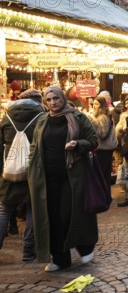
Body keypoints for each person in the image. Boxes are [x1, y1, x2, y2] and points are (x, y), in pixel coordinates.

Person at [28, 86, 99, 272]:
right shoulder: (42, 120)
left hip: (72, 175)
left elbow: (93, 140)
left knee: (67, 215)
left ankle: (85, 247)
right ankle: (59, 258)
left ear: (62, 98)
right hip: (48, 178)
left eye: (56, 99)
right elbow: (35, 146)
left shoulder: (78, 117)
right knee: (51, 217)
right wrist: (31, 169)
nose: (53, 103)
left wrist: (78, 144)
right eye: (49, 99)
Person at [0, 89, 44, 262]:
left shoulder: (7, 117)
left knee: (4, 209)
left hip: (9, 171)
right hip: (34, 170)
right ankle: (28, 251)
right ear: (38, 100)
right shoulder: (41, 117)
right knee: (32, 210)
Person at [89, 96, 116, 190]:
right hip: (102, 149)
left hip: (104, 150)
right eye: (93, 104)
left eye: (96, 104)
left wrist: (92, 122)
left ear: (102, 105)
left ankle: (104, 197)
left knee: (102, 174)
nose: (94, 106)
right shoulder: (101, 116)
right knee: (103, 174)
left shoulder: (103, 117)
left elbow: (102, 134)